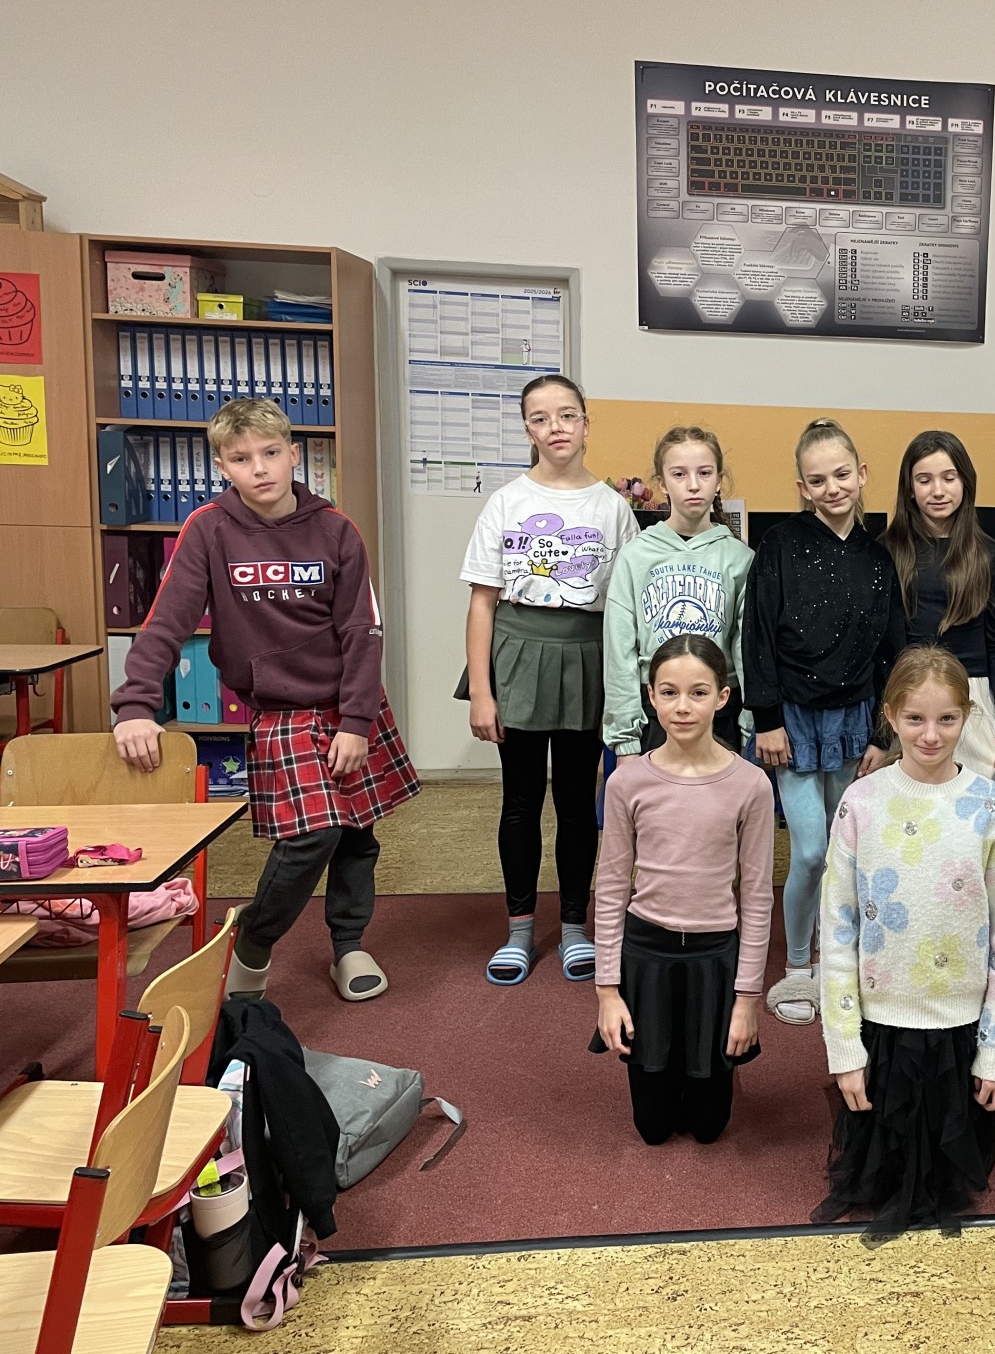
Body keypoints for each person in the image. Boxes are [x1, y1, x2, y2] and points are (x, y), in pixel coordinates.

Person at [112, 397, 419, 1003]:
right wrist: (136, 706)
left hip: (348, 707)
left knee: (355, 835)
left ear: (294, 455)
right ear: (222, 466)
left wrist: (357, 721)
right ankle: (253, 942)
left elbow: (363, 631)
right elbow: (167, 621)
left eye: (271, 452)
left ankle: (349, 944)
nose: (259, 468)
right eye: (241, 458)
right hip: (281, 711)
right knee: (311, 836)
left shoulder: (336, 529)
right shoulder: (208, 529)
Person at [812, 645, 995, 1238]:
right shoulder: (861, 802)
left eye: (946, 719)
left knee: (946, 1183)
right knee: (883, 1180)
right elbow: (838, 929)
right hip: (881, 1030)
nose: (930, 735)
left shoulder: (990, 805)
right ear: (890, 715)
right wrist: (845, 1049)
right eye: (914, 719)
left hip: (961, 1030)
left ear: (968, 715)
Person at [459, 374, 636, 986]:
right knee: (521, 800)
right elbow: (482, 602)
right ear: (527, 430)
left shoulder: (613, 508)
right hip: (517, 658)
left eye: (566, 414)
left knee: (578, 802)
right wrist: (481, 691)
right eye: (540, 417)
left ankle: (575, 927)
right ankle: (518, 929)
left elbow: (624, 607)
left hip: (588, 656)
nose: (555, 427)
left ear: (586, 422)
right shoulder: (506, 501)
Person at [745, 418, 906, 1027]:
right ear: (802, 488)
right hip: (790, 721)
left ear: (861, 475)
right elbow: (757, 634)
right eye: (818, 480)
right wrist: (766, 718)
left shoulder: (877, 558)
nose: (832, 488)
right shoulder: (780, 545)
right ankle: (797, 966)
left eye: (842, 475)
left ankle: (839, 959)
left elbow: (892, 650)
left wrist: (882, 736)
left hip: (854, 722)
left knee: (845, 852)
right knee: (810, 850)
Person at [591, 634, 774, 1145]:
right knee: (652, 1128)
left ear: (723, 696)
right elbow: (611, 888)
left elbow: (757, 896)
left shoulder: (751, 784)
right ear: (651, 696)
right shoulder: (627, 783)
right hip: (646, 955)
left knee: (709, 1127)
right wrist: (607, 992)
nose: (683, 707)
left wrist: (746, 1000)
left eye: (698, 692)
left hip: (714, 958)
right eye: (669, 692)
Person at [603, 425, 753, 759]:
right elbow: (619, 651)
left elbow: (747, 652)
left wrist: (750, 726)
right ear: (661, 483)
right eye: (679, 474)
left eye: (704, 473)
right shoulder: (635, 556)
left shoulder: (740, 559)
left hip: (719, 711)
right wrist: (625, 738)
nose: (693, 484)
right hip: (654, 713)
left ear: (719, 480)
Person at [882, 430, 995, 787]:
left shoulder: (990, 556)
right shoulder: (886, 551)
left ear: (965, 482)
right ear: (909, 488)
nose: (938, 491)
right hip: (908, 696)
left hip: (972, 701)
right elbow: (879, 648)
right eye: (924, 480)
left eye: (949, 478)